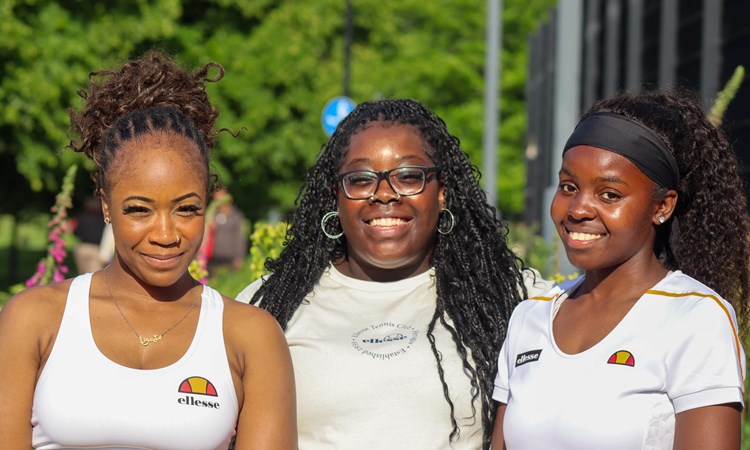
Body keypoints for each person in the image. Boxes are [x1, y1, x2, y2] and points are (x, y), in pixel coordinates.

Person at [0, 50, 296, 449]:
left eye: (186, 209)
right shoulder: (33, 320)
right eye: (139, 209)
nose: (165, 233)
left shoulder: (250, 336)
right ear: (106, 205)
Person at [237, 98, 552, 449]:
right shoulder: (265, 309)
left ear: (442, 192)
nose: (384, 194)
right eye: (360, 179)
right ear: (336, 197)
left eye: (408, 176)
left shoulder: (512, 298)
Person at [492, 90, 748, 449]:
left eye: (609, 194)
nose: (578, 208)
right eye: (569, 187)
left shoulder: (695, 317)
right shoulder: (529, 317)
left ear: (661, 206)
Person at [204, 188, 248, 274]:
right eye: (216, 198)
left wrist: (239, 257)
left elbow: (241, 237)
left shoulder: (236, 216)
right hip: (213, 258)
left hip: (230, 259)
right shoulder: (212, 214)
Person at [73, 195, 107, 273]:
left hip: (81, 247)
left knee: (82, 275)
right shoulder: (102, 220)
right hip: (95, 249)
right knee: (94, 276)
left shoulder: (81, 217)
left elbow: (76, 232)